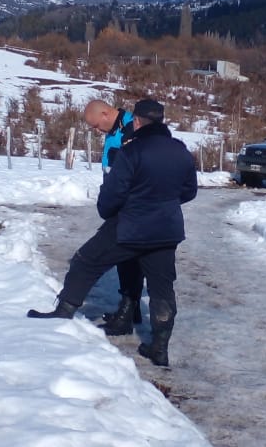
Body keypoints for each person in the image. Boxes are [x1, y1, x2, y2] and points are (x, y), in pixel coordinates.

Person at [28, 99, 198, 367]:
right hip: (167, 230)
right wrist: (163, 203)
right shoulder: (181, 151)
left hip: (130, 226)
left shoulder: (131, 151)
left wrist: (110, 212)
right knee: (162, 290)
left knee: (85, 261)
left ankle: (62, 313)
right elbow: (189, 191)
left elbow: (112, 195)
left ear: (138, 121)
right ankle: (160, 348)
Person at [79, 99, 145, 335]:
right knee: (124, 258)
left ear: (106, 113)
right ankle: (129, 308)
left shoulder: (133, 127)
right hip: (117, 202)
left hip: (131, 206)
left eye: (97, 125)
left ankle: (129, 310)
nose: (97, 131)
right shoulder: (115, 129)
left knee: (132, 259)